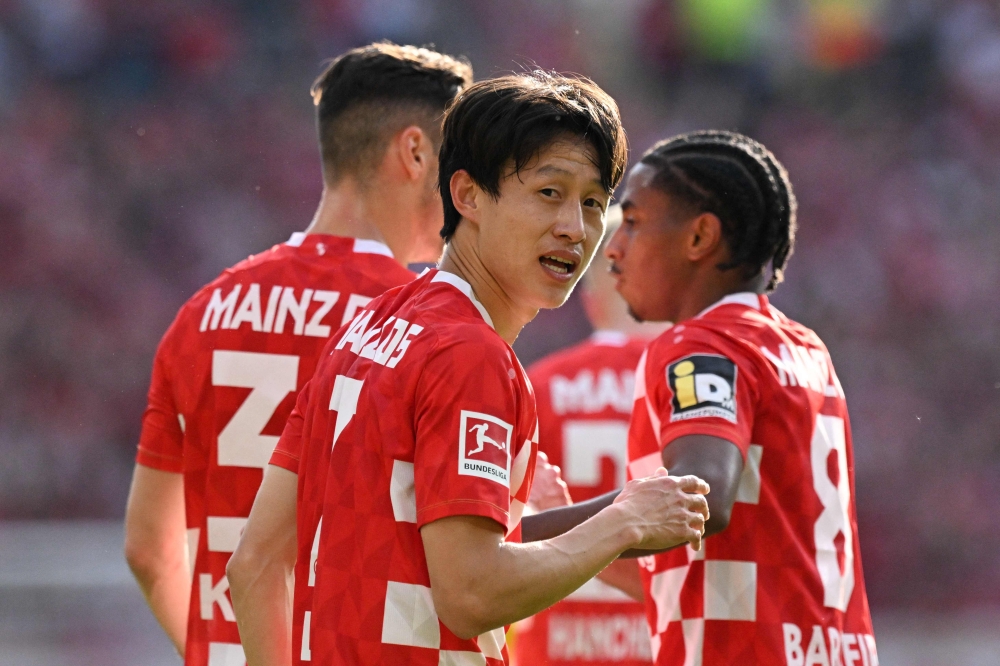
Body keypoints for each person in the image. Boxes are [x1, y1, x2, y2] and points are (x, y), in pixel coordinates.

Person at [230, 71, 711, 666]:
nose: (575, 228)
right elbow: (471, 594)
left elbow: (252, 562)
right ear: (467, 195)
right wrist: (625, 523)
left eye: (592, 202)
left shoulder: (374, 324)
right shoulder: (470, 356)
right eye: (549, 193)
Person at [123, 42, 472, 666]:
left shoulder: (201, 313)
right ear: (416, 152)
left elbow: (148, 551)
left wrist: (217, 654)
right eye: (462, 166)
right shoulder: (429, 321)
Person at [605, 130, 878, 665]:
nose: (613, 246)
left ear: (699, 237)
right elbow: (694, 564)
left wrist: (519, 531)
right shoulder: (804, 348)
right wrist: (561, 534)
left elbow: (700, 496)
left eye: (633, 223)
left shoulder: (700, 344)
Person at [512, 207, 666, 666]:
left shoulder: (534, 385)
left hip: (556, 640)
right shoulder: (689, 388)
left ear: (590, 297)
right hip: (659, 636)